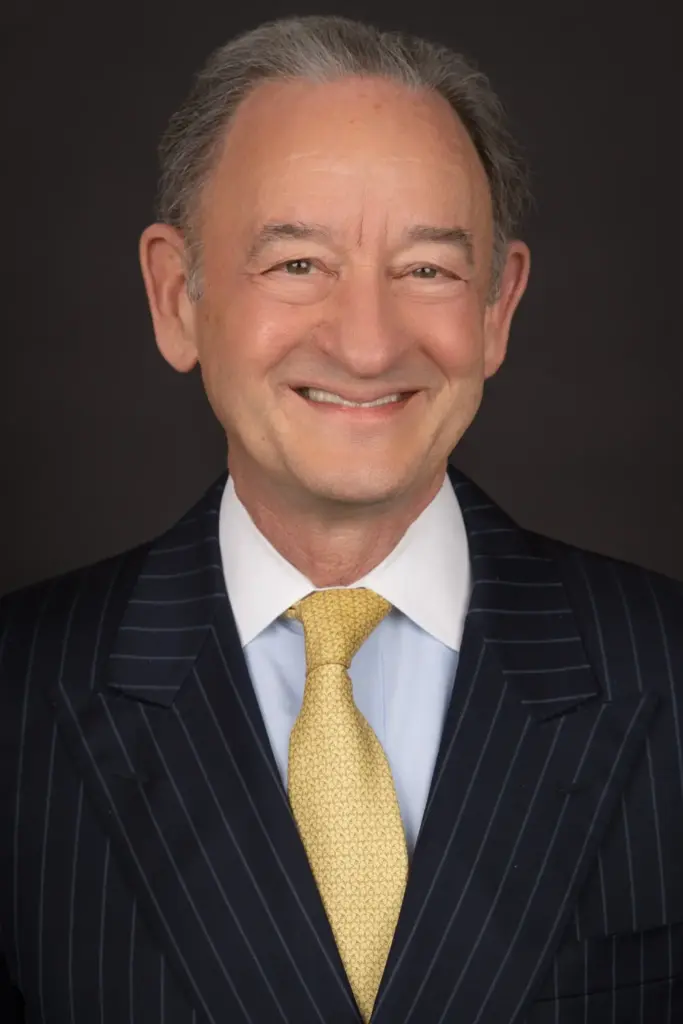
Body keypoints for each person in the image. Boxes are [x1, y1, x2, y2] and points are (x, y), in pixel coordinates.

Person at [1, 13, 681, 1024]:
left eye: (427, 270)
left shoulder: (666, 671)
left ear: (496, 309)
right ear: (177, 297)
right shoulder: (18, 699)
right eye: (297, 265)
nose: (366, 346)